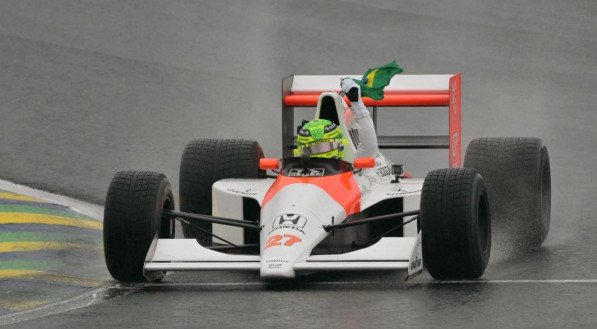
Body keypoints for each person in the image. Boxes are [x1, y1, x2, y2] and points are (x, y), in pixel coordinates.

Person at [294, 78, 380, 160]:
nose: (320, 154)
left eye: (326, 146)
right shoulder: (300, 170)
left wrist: (357, 104)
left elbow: (369, 146)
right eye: (311, 149)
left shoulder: (353, 167)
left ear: (340, 144)